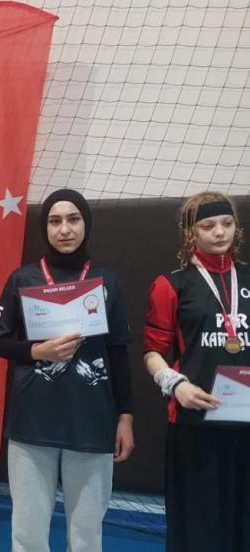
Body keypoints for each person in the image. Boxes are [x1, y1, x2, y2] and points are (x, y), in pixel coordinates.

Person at [0, 189, 134, 552]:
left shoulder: (107, 282)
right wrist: (36, 351)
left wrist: (125, 417)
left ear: (86, 224)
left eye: (73, 219)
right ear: (45, 228)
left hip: (92, 422)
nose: (64, 229)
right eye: (55, 221)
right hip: (32, 422)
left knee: (86, 535)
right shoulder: (22, 278)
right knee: (28, 532)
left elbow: (118, 353)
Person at [143, 192, 249, 551]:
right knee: (197, 528)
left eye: (227, 224)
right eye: (208, 226)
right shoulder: (171, 284)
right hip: (195, 423)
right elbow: (153, 352)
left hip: (246, 423)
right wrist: (175, 385)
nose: (219, 232)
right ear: (191, 232)